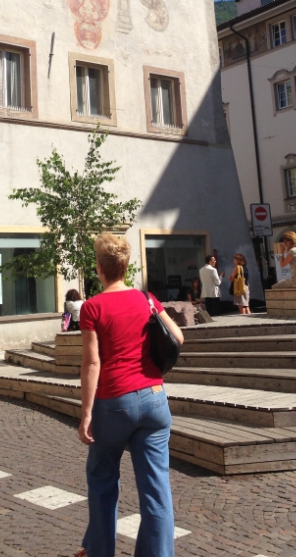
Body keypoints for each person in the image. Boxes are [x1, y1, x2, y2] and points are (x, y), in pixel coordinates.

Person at [76, 233, 184, 557]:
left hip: (114, 402)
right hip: (154, 397)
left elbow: (92, 363)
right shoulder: (147, 299)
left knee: (102, 479)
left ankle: (98, 551)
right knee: (156, 489)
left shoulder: (92, 307)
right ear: (125, 266)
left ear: (99, 268)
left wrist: (86, 413)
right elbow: (178, 337)